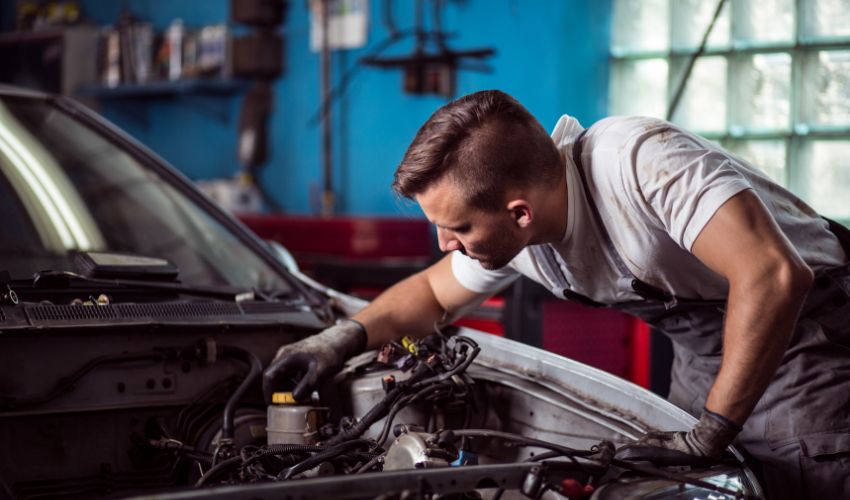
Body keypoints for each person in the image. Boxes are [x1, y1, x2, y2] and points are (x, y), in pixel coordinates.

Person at [264, 90, 850, 498]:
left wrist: (712, 428)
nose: (445, 244)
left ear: (518, 212)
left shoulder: (642, 163)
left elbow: (774, 275)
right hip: (707, 347)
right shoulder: (525, 235)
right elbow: (433, 297)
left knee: (795, 479)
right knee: (694, 488)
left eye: (457, 228)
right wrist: (341, 337)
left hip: (810, 329)